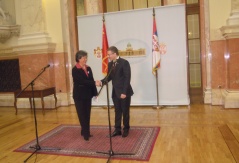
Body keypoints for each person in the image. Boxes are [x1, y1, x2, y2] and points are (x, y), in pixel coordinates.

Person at [97, 46, 134, 138]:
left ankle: (126, 129)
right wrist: (101, 82)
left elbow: (127, 78)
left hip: (124, 92)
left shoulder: (124, 63)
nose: (108, 56)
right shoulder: (110, 64)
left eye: (109, 54)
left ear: (115, 54)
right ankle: (117, 130)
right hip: (115, 92)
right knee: (117, 111)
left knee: (125, 111)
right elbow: (109, 77)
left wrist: (124, 92)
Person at [72, 50, 98, 141]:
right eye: (84, 57)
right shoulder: (75, 70)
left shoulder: (89, 68)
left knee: (87, 114)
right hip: (79, 96)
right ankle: (86, 133)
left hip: (87, 95)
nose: (86, 59)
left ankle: (85, 131)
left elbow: (91, 81)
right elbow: (82, 81)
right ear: (79, 58)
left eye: (86, 57)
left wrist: (95, 93)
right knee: (82, 114)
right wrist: (94, 82)